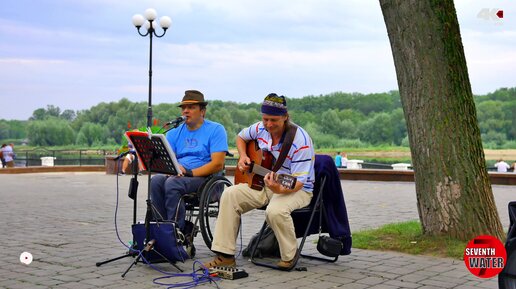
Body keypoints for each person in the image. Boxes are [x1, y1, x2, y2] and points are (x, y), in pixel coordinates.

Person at [203, 93, 315, 270]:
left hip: (296, 189)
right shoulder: (260, 128)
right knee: (230, 194)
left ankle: (290, 256)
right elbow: (241, 137)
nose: (269, 125)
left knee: (275, 210)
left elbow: (298, 183)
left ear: (285, 117)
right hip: (266, 183)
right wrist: (244, 156)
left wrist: (277, 188)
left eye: (274, 120)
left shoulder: (300, 141)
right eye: (265, 119)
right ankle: (225, 255)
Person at [150, 90, 228, 231]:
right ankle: (160, 229)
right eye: (184, 108)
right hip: (179, 175)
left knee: (172, 184)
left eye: (191, 107)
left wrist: (189, 172)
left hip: (206, 178)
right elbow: (169, 159)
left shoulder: (216, 130)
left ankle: (176, 232)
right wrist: (169, 169)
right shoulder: (174, 132)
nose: (186, 111)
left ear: (202, 111)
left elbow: (218, 164)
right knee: (156, 181)